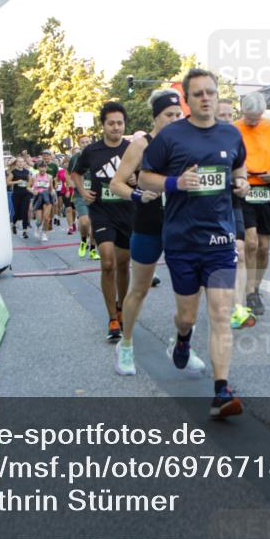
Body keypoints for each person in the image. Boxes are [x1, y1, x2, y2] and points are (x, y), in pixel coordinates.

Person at [140, 68, 249, 418]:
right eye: (198, 93)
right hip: (182, 241)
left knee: (220, 312)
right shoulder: (171, 137)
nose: (205, 98)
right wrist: (175, 183)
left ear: (218, 96)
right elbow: (144, 178)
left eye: (211, 92)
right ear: (187, 99)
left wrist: (242, 184)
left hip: (219, 239)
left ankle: (222, 390)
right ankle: (183, 337)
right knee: (187, 315)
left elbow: (239, 171)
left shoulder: (231, 135)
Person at [109, 89, 185, 375]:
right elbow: (117, 183)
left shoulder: (187, 143)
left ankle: (180, 343)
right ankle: (125, 345)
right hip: (148, 222)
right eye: (169, 115)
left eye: (179, 114)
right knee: (139, 288)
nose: (176, 119)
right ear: (157, 117)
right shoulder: (141, 144)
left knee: (188, 287)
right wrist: (138, 196)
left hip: (180, 223)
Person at [72, 102, 135, 342]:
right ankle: (111, 318)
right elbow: (76, 173)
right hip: (101, 211)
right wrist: (82, 192)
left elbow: (145, 173)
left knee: (123, 262)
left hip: (127, 211)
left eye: (120, 123)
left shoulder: (132, 149)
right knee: (107, 261)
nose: (116, 127)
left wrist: (138, 179)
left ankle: (121, 307)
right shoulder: (93, 151)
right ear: (103, 125)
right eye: (111, 123)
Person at [235, 92, 270, 317]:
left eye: (257, 117)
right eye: (249, 117)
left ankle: (256, 288)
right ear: (242, 112)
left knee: (265, 247)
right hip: (244, 188)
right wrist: (237, 171)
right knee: (251, 243)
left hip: (266, 189)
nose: (253, 122)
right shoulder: (234, 128)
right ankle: (248, 292)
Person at [217, 98, 255, 330]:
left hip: (232, 203)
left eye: (230, 115)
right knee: (216, 259)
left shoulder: (235, 140)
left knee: (239, 251)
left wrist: (243, 182)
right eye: (222, 116)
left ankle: (238, 307)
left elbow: (242, 169)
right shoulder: (201, 141)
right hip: (209, 208)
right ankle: (219, 300)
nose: (227, 120)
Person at [69, 135, 98, 259]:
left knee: (95, 224)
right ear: (79, 144)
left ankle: (92, 250)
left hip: (95, 194)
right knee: (85, 221)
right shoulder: (75, 158)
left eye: (87, 142)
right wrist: (70, 184)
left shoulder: (97, 156)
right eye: (83, 142)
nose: (85, 144)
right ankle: (83, 240)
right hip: (80, 194)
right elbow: (68, 173)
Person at [7, 156, 31, 238]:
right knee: (17, 213)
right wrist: (17, 181)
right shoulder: (13, 172)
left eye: (22, 162)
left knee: (25, 212)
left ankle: (25, 231)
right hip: (16, 194)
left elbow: (30, 181)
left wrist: (30, 186)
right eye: (19, 162)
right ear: (16, 163)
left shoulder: (27, 171)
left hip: (25, 194)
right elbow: (8, 182)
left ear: (24, 163)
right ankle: (13, 224)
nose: (21, 163)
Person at [29, 162, 54, 241]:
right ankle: (37, 227)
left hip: (47, 197)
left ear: (46, 168)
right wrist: (33, 191)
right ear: (38, 168)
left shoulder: (50, 177)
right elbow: (28, 187)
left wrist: (53, 191)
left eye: (44, 167)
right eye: (41, 167)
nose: (42, 169)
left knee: (46, 218)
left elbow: (51, 188)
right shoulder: (34, 176)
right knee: (39, 220)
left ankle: (44, 233)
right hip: (38, 197)